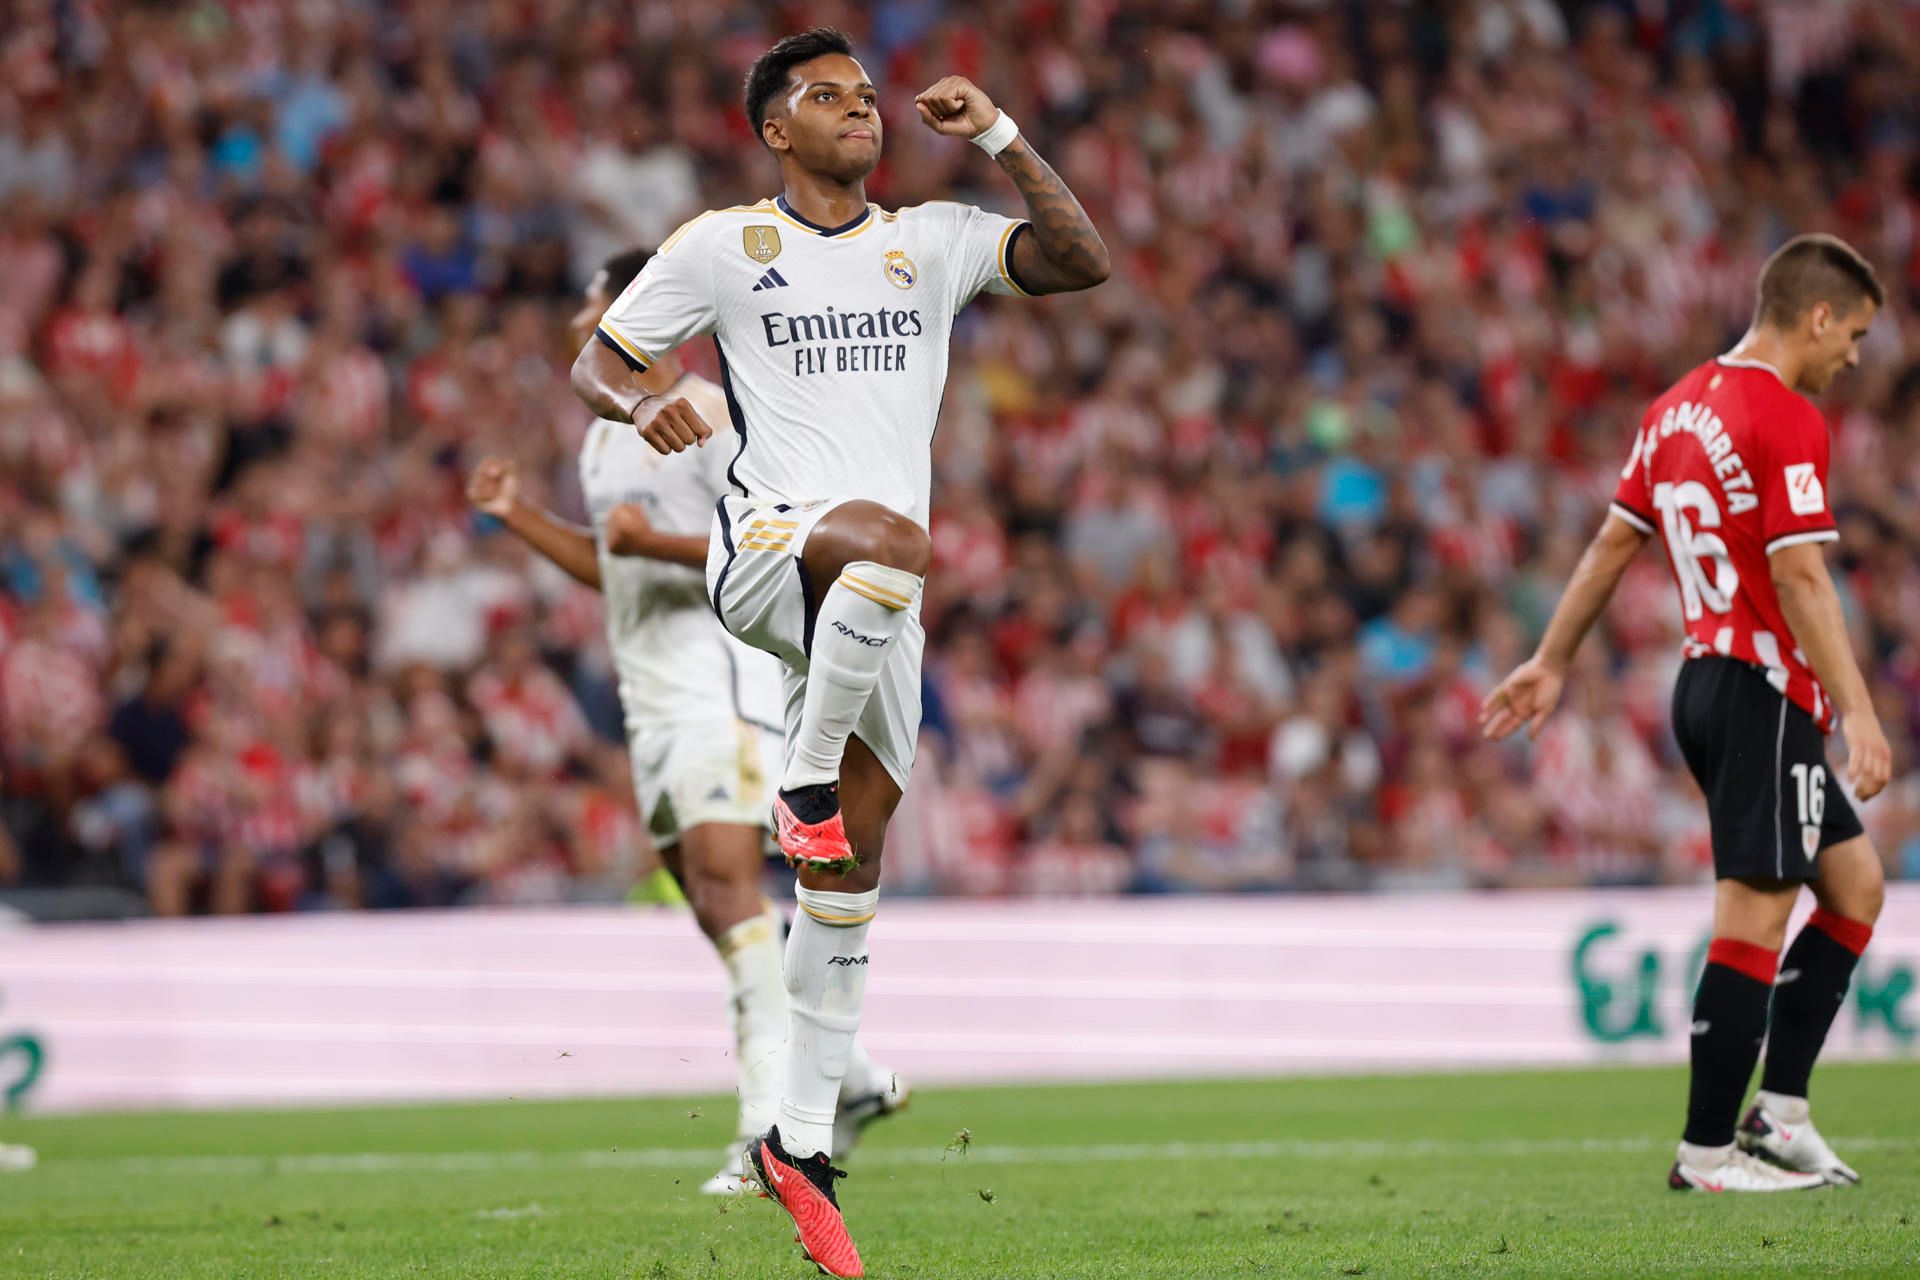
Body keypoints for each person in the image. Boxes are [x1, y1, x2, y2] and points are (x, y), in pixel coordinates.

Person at [570, 27, 1108, 1277]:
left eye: (869, 97)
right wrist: (646, 399)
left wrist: (1000, 137)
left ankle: (798, 1143)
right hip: (766, 546)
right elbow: (596, 358)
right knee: (894, 540)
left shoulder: (927, 239)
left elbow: (1081, 259)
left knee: (849, 877)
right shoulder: (721, 243)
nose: (861, 111)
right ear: (776, 128)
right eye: (829, 97)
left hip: (876, 611)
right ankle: (801, 779)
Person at [469, 248, 902, 1197]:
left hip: (719, 691)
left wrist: (655, 540)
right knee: (715, 908)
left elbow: (761, 548)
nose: (583, 318)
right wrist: (519, 517)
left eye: (595, 301)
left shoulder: (713, 414)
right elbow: (613, 568)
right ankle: (856, 1079)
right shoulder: (601, 438)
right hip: (651, 702)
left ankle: (768, 1135)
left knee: (727, 892)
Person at [1481, 234, 1888, 1193]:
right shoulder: (1784, 415)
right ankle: (1706, 1156)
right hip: (1763, 692)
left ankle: (1780, 1116)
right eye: (1856, 334)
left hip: (1703, 685)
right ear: (1817, 315)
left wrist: (1551, 657)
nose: (1856, 359)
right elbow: (1799, 575)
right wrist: (1860, 711)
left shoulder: (1673, 410)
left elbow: (1612, 548)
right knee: (1753, 917)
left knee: (1857, 885)